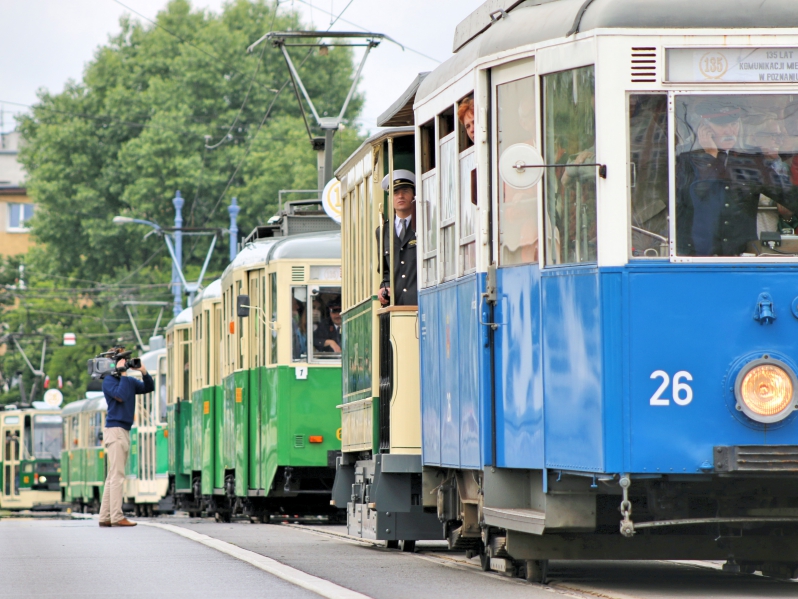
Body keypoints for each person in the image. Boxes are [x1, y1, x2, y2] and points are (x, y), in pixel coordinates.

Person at [676, 100, 798, 256]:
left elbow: (789, 196)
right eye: (722, 125)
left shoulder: (750, 161)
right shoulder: (687, 161)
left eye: (733, 124)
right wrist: (710, 159)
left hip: (740, 255)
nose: (729, 131)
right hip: (697, 256)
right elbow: (695, 197)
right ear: (705, 128)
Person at [99, 349, 154, 527]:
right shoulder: (109, 381)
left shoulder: (128, 381)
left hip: (123, 430)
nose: (126, 363)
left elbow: (148, 387)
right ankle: (116, 516)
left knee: (112, 475)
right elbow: (121, 396)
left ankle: (105, 516)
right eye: (122, 360)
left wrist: (143, 371)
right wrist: (123, 374)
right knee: (117, 476)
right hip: (115, 430)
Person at [377, 169, 417, 307]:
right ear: (390, 198)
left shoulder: (423, 226)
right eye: (395, 192)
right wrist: (384, 286)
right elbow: (384, 270)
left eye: (405, 191)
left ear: (413, 195)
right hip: (395, 305)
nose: (400, 196)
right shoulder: (382, 231)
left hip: (419, 302)